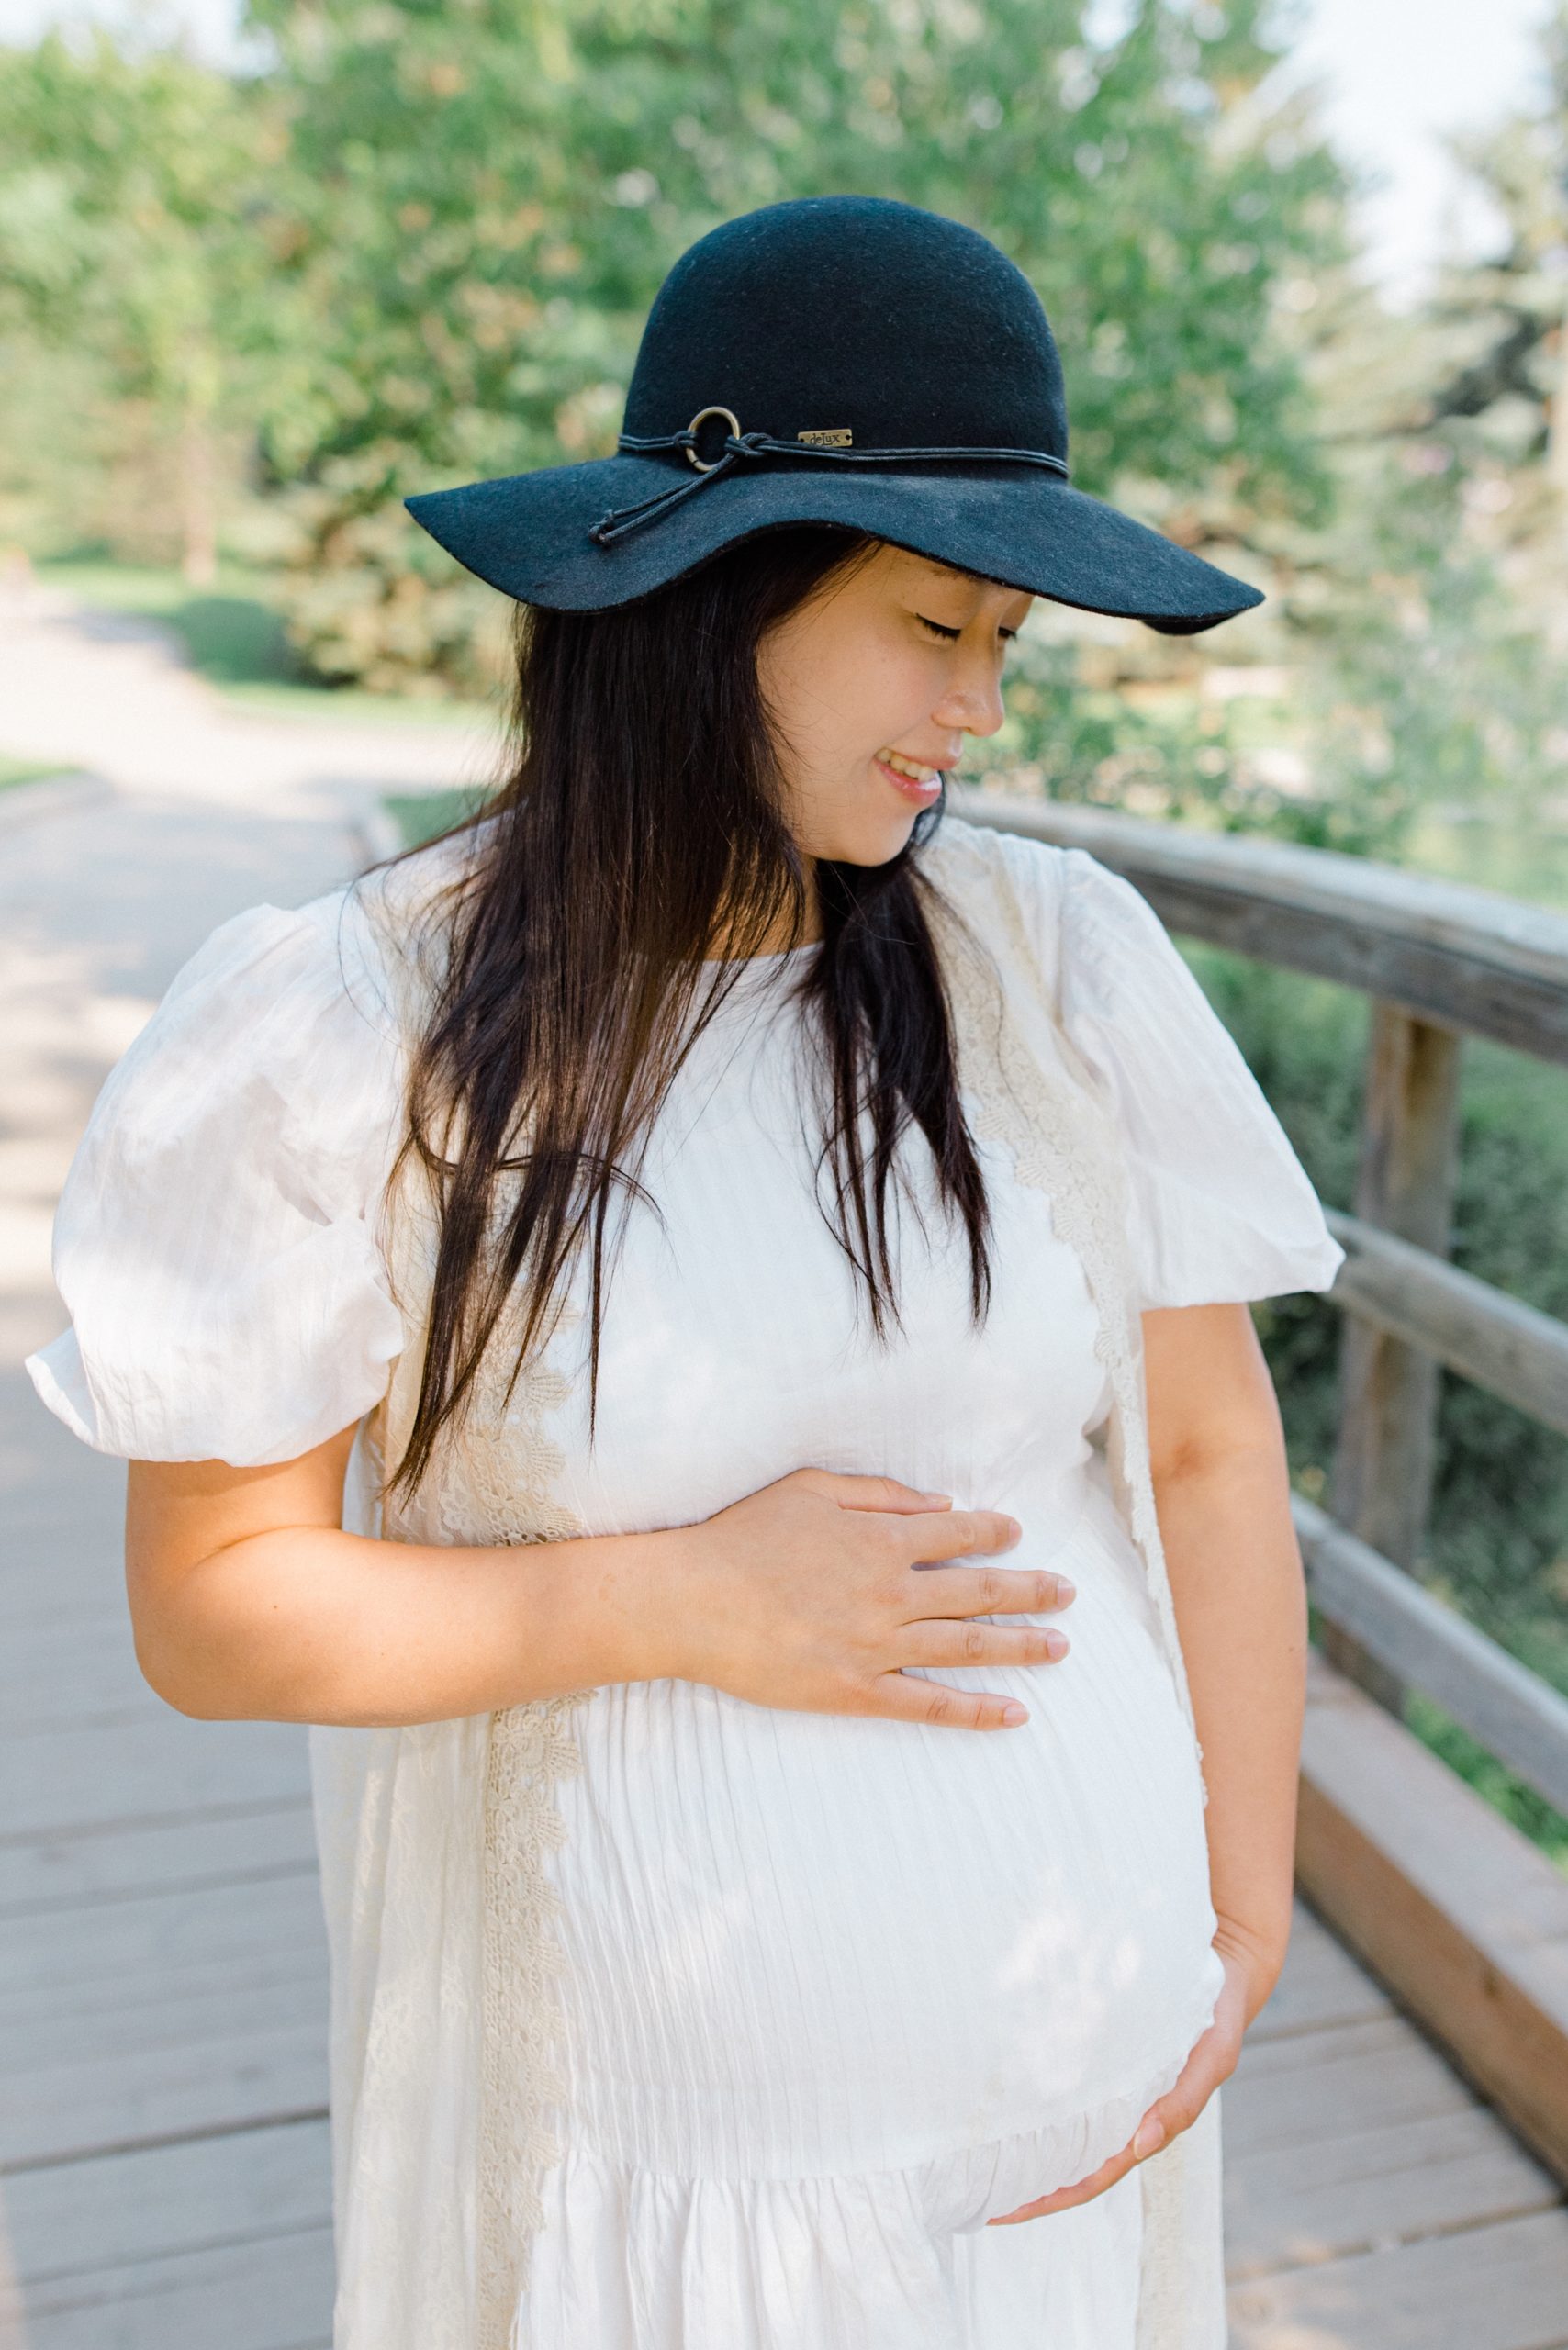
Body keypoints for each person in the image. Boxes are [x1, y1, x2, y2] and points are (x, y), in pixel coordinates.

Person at [28, 196, 1342, 2350]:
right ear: (716, 592)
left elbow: (1201, 1452)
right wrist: (673, 1597)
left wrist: (1239, 1909)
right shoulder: (359, 1022)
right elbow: (208, 1606)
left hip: (1072, 2131)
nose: (980, 709)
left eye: (1005, 645)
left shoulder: (1047, 960)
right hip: (650, 2201)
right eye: (938, 627)